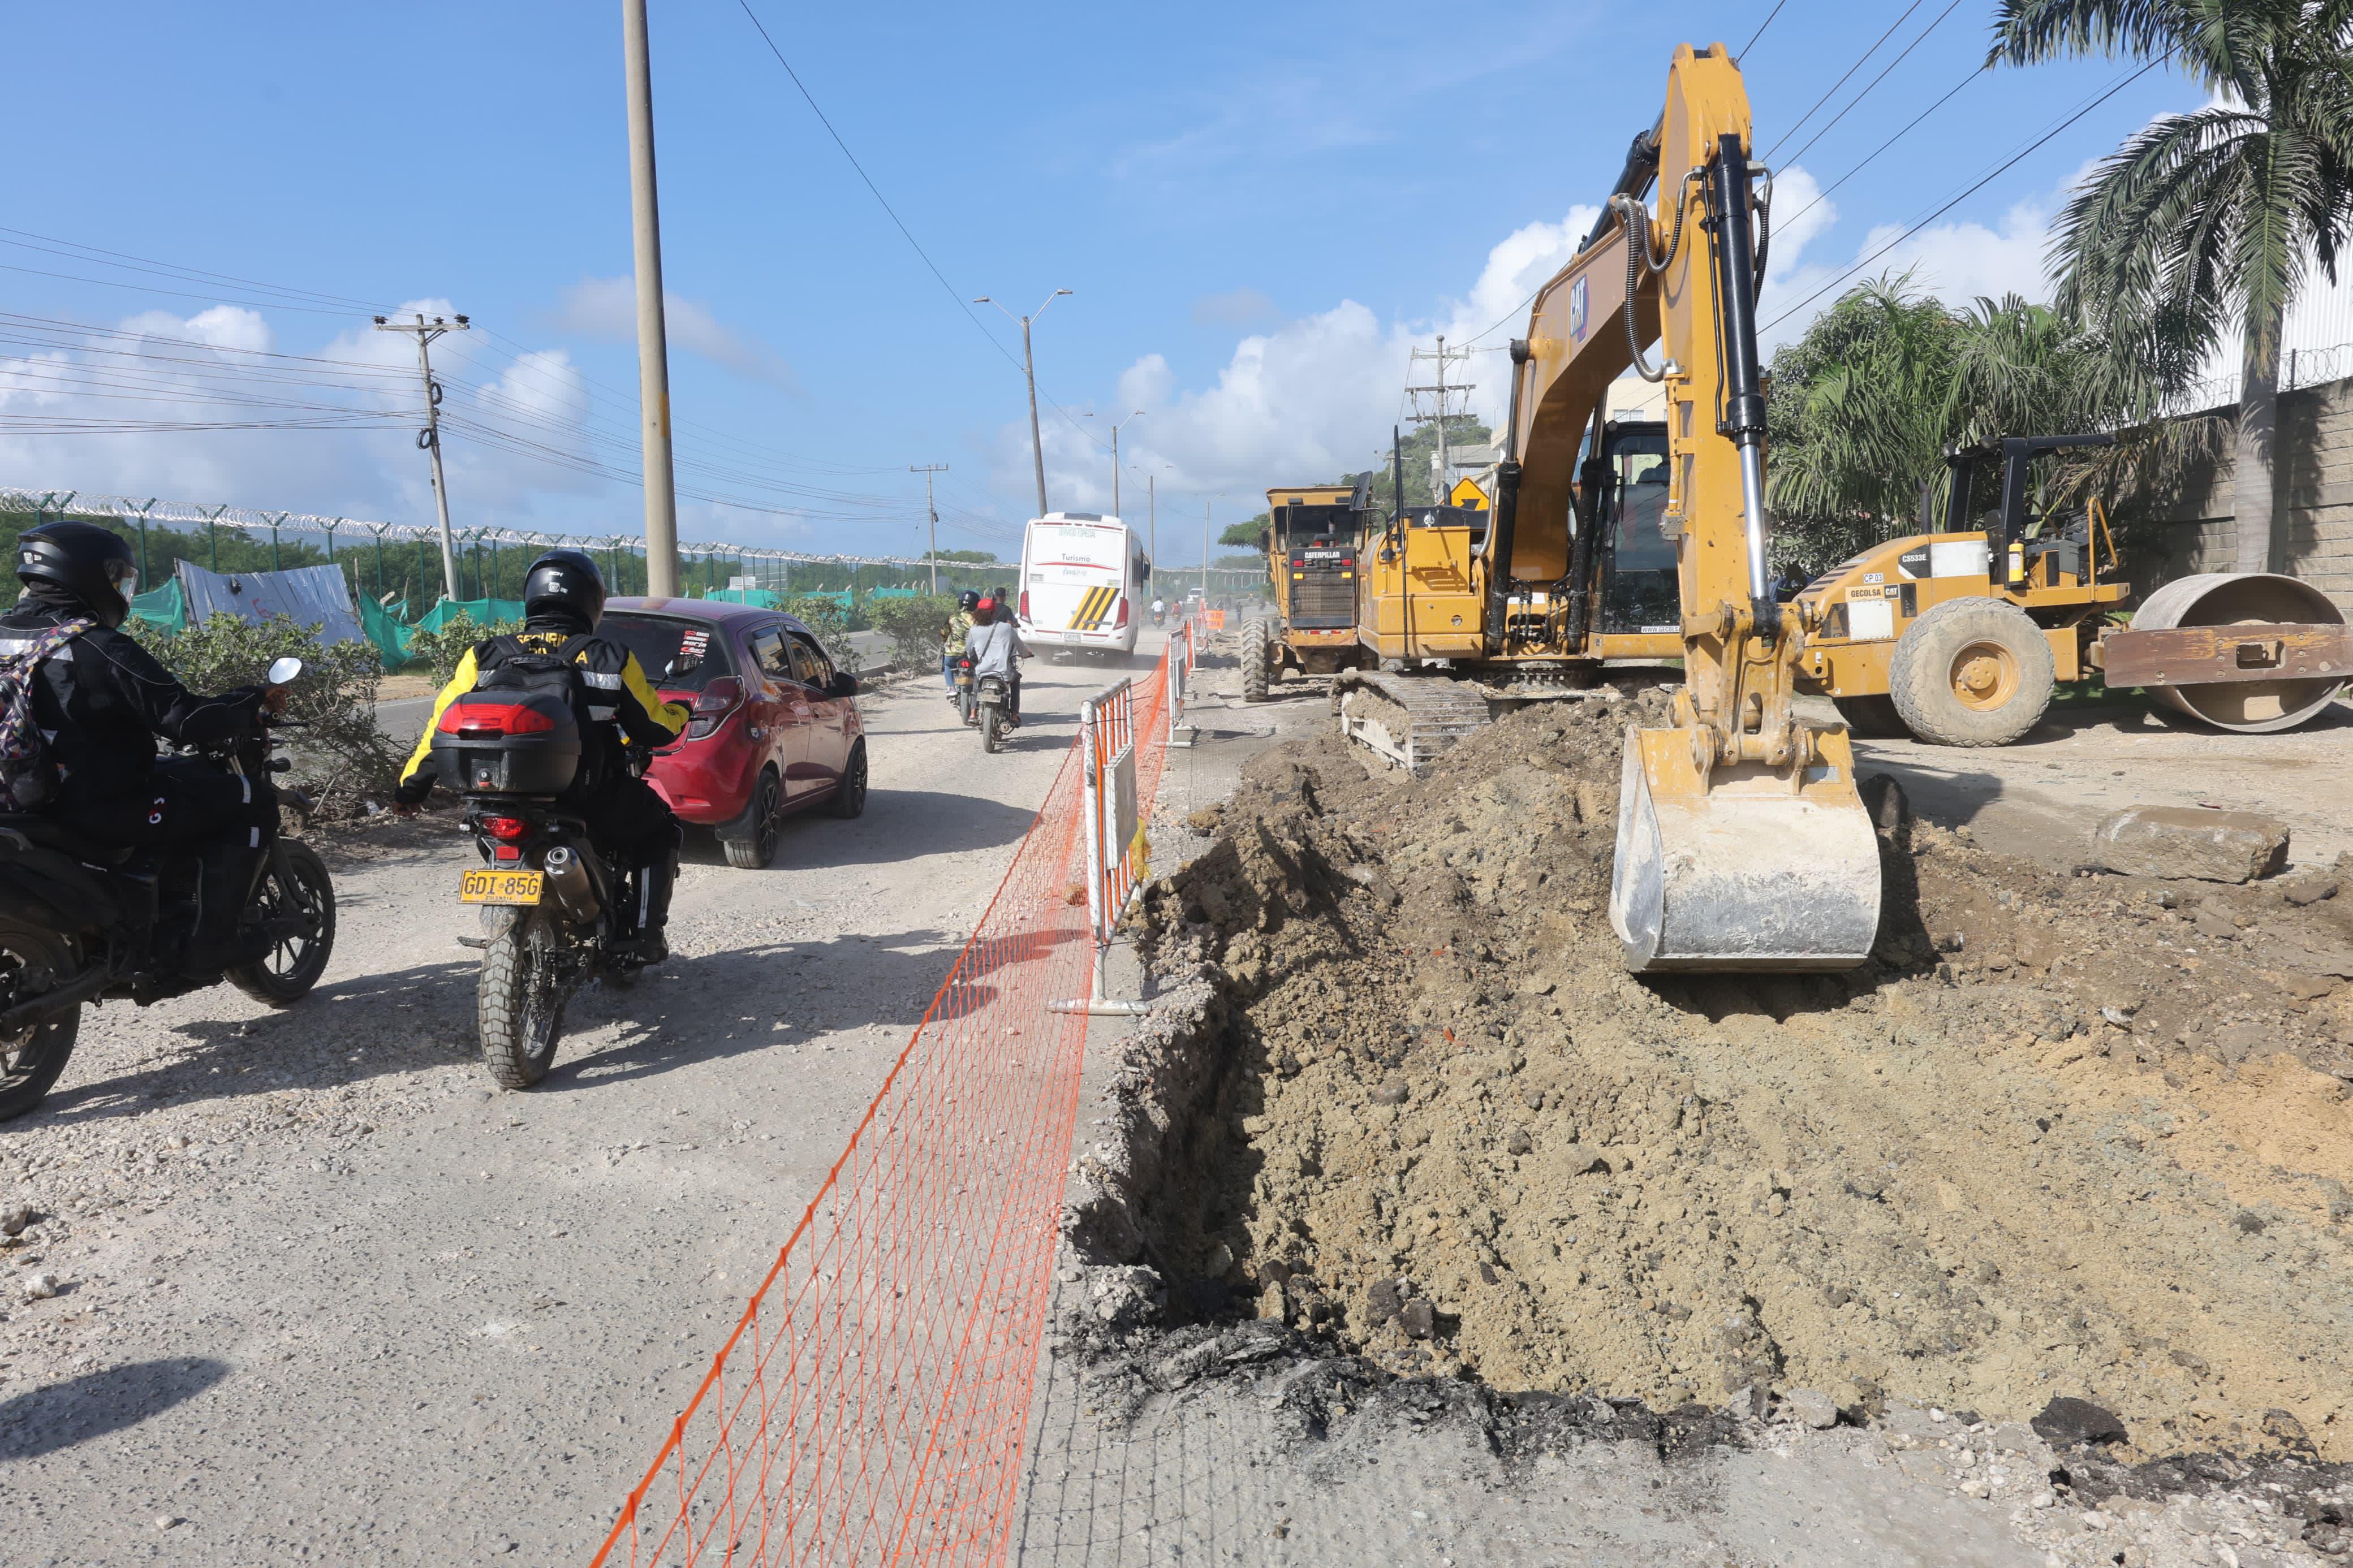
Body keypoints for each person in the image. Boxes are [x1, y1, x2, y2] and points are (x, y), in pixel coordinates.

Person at [3, 521, 287, 967]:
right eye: (117, 578)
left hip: (18, 804)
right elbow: (189, 721)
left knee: (182, 779)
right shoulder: (98, 646)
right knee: (251, 799)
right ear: (88, 576)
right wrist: (249, 697)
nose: (121, 590)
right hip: (100, 808)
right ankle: (214, 942)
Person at [395, 548, 690, 964]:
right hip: (587, 798)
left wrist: (410, 790)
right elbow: (655, 728)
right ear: (592, 601)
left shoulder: (485, 655)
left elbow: (439, 729)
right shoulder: (609, 657)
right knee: (661, 830)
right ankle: (645, 933)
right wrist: (683, 713)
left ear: (531, 596)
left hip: (499, 798)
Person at [963, 595, 1022, 727]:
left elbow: (969, 650)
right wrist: (1027, 654)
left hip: (983, 671)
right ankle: (1014, 715)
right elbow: (1020, 646)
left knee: (976, 686)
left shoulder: (974, 629)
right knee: (1016, 679)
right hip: (1003, 672)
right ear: (995, 612)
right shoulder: (1007, 628)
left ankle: (973, 714)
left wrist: (974, 657)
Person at [942, 588, 980, 701]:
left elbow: (944, 633)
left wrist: (945, 642)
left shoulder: (952, 616)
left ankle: (951, 687)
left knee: (947, 664)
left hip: (951, 653)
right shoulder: (976, 618)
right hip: (970, 654)